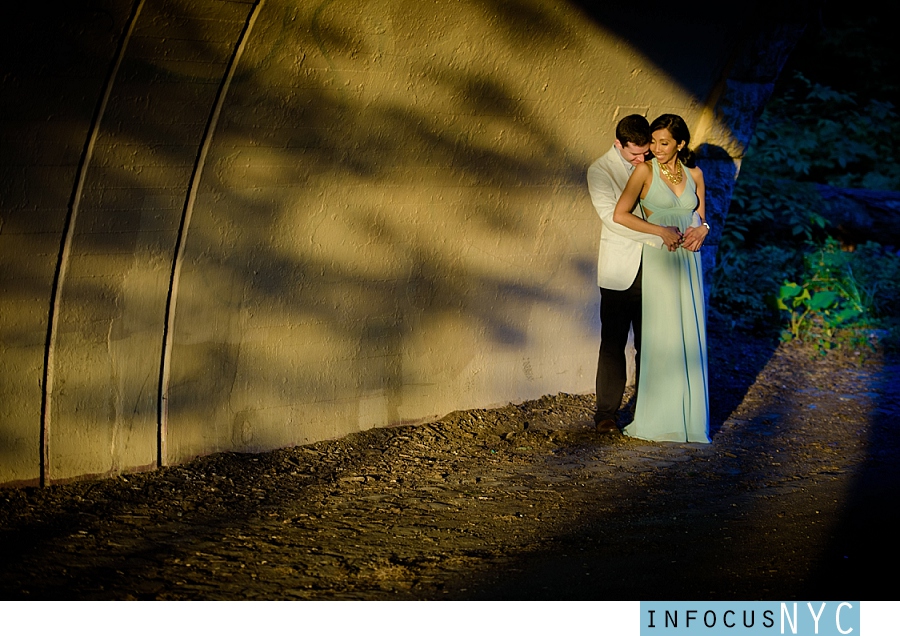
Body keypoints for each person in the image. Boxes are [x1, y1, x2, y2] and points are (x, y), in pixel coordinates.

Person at [611, 113, 710, 443]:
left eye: (663, 142)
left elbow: (701, 217)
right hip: (661, 257)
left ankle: (690, 421)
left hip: (690, 261)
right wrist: (659, 231)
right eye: (652, 141)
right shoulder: (644, 171)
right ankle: (657, 419)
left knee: (690, 337)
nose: (655, 148)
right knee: (662, 336)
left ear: (680, 144)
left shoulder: (695, 174)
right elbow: (620, 214)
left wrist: (703, 230)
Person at [587, 114, 664, 434]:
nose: (640, 158)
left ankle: (649, 412)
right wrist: (660, 234)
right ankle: (606, 414)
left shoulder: (655, 161)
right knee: (613, 343)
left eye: (645, 152)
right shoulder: (600, 171)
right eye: (634, 153)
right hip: (620, 270)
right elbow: (613, 218)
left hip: (658, 267)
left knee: (652, 343)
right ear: (618, 143)